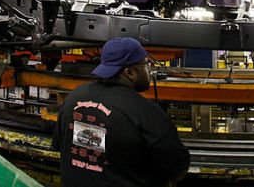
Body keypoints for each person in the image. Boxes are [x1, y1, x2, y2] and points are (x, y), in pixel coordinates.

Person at [52, 37, 190, 186]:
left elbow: (61, 146)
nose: (149, 70)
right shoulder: (147, 113)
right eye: (146, 64)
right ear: (129, 73)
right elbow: (177, 168)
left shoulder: (73, 98)